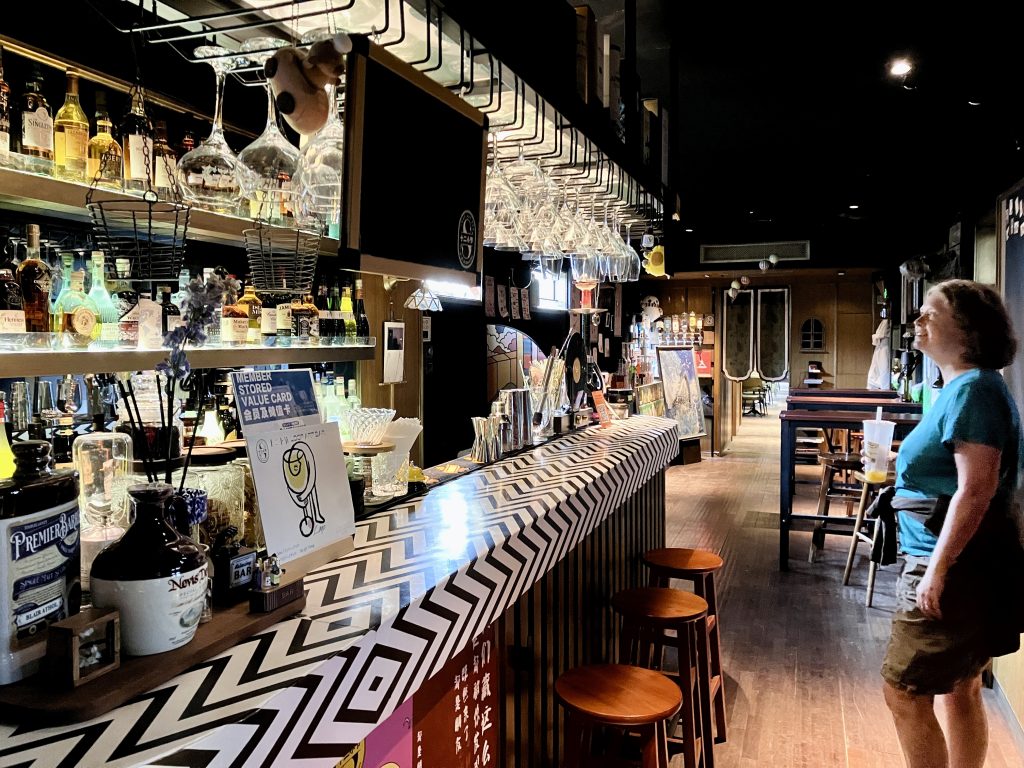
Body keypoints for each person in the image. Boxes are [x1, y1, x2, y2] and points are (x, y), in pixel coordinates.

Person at [879, 279, 1024, 768]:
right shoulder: (966, 387)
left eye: (929, 312)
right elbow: (953, 469)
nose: (917, 321)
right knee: (962, 687)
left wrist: (938, 569)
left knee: (904, 691)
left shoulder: (974, 391)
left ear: (965, 328)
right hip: (963, 560)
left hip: (949, 562)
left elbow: (977, 487)